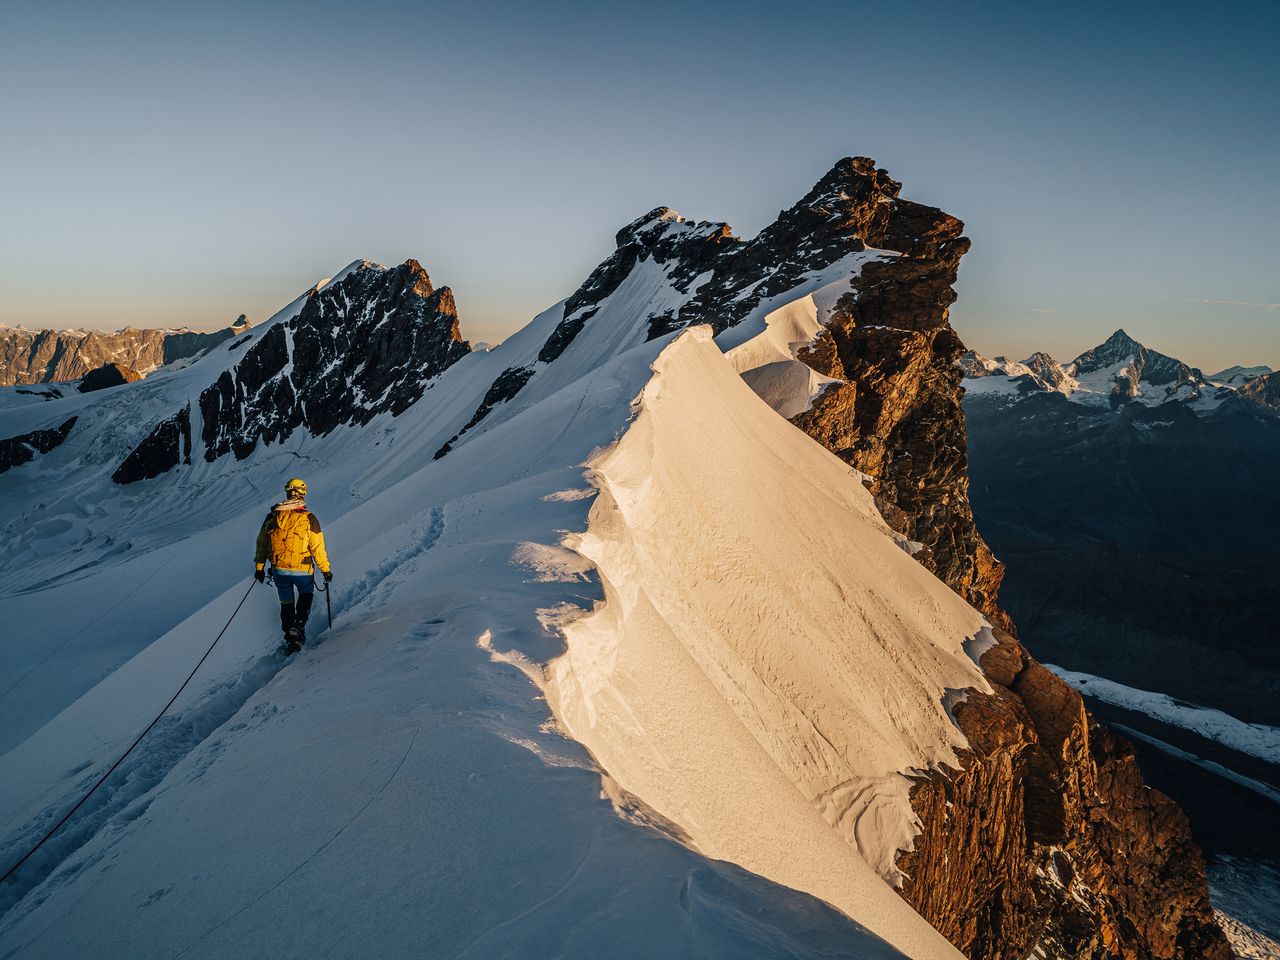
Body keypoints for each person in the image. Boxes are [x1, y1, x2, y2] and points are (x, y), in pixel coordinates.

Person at [254, 477, 333, 653]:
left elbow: (261, 543)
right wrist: (325, 570)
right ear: (303, 494)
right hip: (302, 569)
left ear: (288, 492)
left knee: (286, 602)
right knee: (306, 594)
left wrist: (259, 567)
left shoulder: (273, 517)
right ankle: (299, 626)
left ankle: (290, 638)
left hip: (279, 569)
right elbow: (317, 548)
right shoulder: (309, 519)